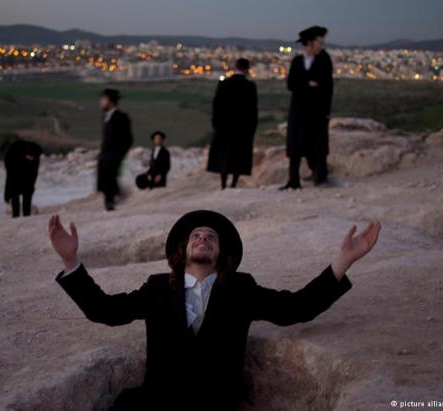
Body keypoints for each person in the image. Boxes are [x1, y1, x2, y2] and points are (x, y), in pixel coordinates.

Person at [48, 210, 381, 410]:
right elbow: (104, 310)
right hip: (153, 404)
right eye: (196, 235)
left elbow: (297, 307)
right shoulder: (156, 287)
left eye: (211, 236)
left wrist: (344, 260)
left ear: (223, 255)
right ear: (183, 250)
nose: (203, 238)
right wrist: (69, 260)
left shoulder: (241, 289)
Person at [280, 26, 334, 190]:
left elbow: (326, 86)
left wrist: (326, 110)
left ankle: (320, 176)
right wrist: (309, 84)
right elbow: (291, 84)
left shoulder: (324, 59)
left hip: (317, 110)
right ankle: (293, 180)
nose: (321, 45)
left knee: (317, 144)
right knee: (295, 144)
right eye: (319, 42)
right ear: (310, 43)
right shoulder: (297, 61)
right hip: (298, 109)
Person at [207, 58, 258, 190]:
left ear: (235, 67)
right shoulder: (250, 86)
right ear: (247, 69)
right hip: (242, 129)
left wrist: (216, 123)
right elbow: (253, 110)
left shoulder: (224, 84)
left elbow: (216, 105)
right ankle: (234, 184)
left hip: (224, 127)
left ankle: (223, 184)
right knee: (239, 157)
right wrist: (252, 128)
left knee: (224, 155)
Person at [97, 88, 133, 210]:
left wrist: (118, 156)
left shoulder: (121, 117)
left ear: (110, 101)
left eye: (103, 99)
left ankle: (112, 205)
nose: (101, 102)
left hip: (114, 157)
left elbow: (128, 139)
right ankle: (111, 203)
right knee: (105, 183)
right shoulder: (106, 117)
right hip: (105, 156)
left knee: (110, 183)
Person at [4, 139, 43, 218]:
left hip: (26, 177)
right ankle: (15, 216)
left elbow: (34, 174)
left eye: (33, 157)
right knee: (14, 194)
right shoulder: (13, 153)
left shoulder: (36, 157)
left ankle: (26, 215)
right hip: (14, 174)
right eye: (30, 157)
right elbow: (10, 173)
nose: (32, 158)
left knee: (27, 195)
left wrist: (31, 186)